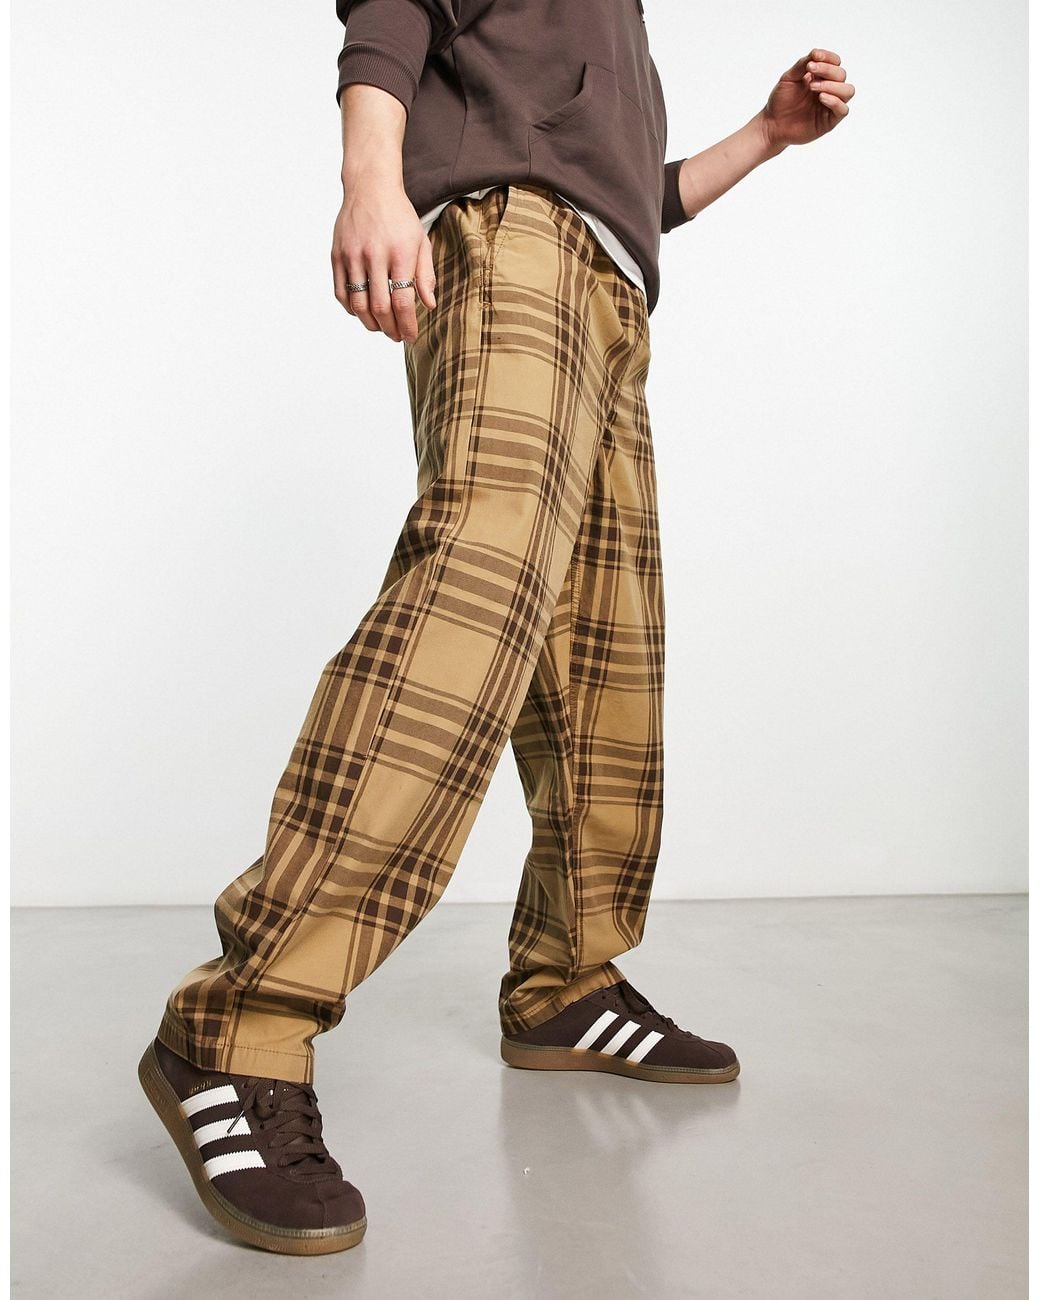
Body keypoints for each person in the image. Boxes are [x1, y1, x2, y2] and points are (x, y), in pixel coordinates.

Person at [138, 0, 855, 1257]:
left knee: (605, 655)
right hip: (512, 245)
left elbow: (636, 199)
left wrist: (763, 134)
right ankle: (239, 1022)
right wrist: (368, 182)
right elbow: (391, 12)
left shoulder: (619, 27)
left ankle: (564, 980)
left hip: (612, 296)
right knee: (474, 601)